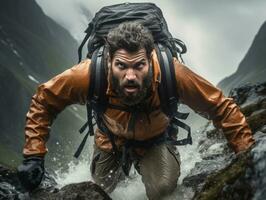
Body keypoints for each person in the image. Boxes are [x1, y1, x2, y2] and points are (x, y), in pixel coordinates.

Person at [17, 22, 255, 199]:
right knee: (98, 192)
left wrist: (248, 159)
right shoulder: (89, 74)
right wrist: (34, 156)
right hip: (109, 139)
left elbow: (221, 107)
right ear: (109, 61)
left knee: (162, 190)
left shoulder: (172, 73)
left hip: (156, 139)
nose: (130, 76)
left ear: (150, 59)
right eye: (121, 66)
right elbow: (44, 99)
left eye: (139, 65)